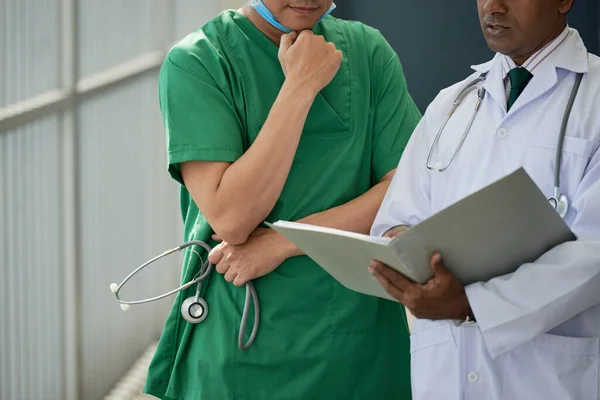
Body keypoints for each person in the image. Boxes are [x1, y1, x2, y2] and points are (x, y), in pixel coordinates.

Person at [143, 1, 422, 399]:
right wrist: (300, 86)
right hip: (241, 342)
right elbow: (232, 218)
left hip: (356, 341)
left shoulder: (367, 51)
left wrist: (281, 242)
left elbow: (409, 188)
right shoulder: (199, 61)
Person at [369, 0, 600, 399]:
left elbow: (594, 255)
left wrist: (472, 304)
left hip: (548, 380)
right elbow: (396, 217)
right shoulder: (450, 104)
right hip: (444, 377)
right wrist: (403, 245)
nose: (493, 6)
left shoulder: (594, 98)